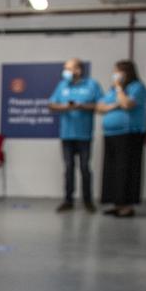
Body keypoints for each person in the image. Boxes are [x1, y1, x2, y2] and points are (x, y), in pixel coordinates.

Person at [47, 58, 103, 213]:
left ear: (78, 70)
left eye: (68, 68)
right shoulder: (62, 85)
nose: (65, 71)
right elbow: (51, 104)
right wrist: (65, 106)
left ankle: (88, 201)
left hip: (84, 135)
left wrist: (82, 106)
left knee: (85, 168)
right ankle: (68, 200)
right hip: (66, 135)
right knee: (68, 168)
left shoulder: (92, 85)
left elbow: (101, 105)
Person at [97, 60, 146, 217]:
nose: (115, 75)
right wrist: (115, 104)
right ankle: (117, 203)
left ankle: (127, 206)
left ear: (127, 73)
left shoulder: (137, 88)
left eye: (117, 72)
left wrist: (119, 89)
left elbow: (127, 104)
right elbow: (99, 107)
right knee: (112, 170)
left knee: (126, 169)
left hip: (130, 134)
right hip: (111, 135)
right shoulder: (113, 90)